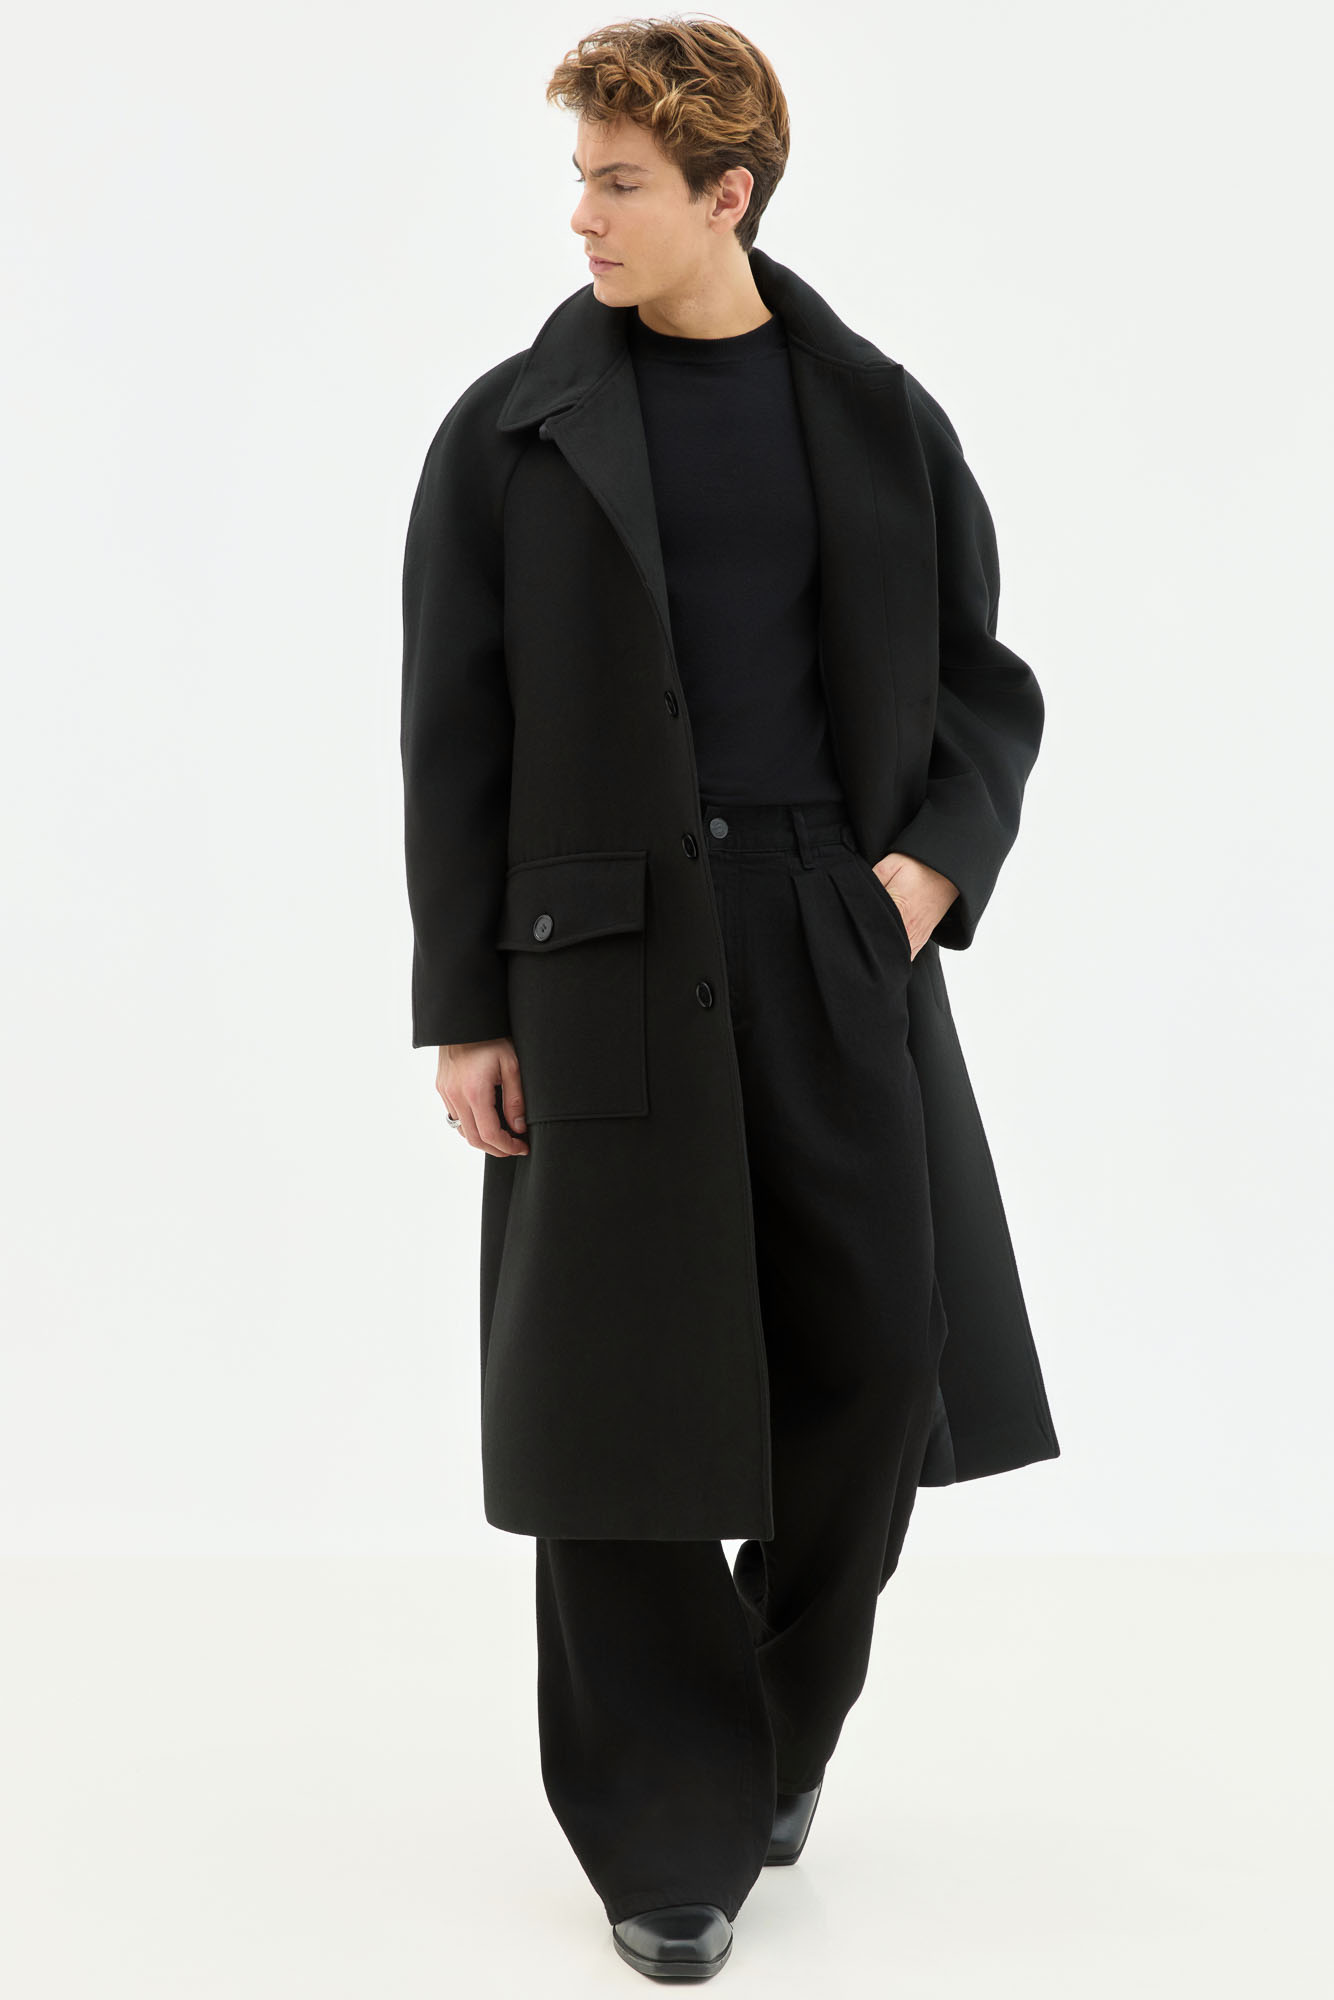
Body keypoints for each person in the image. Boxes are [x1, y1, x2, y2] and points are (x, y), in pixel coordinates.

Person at [399, 16, 1059, 1982]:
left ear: (727, 194)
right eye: (580, 179)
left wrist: (918, 878)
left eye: (617, 183)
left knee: (873, 1355)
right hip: (593, 954)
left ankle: (769, 1722)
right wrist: (463, 1007)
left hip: (827, 928)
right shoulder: (509, 433)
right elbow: (453, 736)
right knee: (615, 1392)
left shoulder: (874, 416)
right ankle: (663, 1829)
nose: (581, 217)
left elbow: (982, 687)